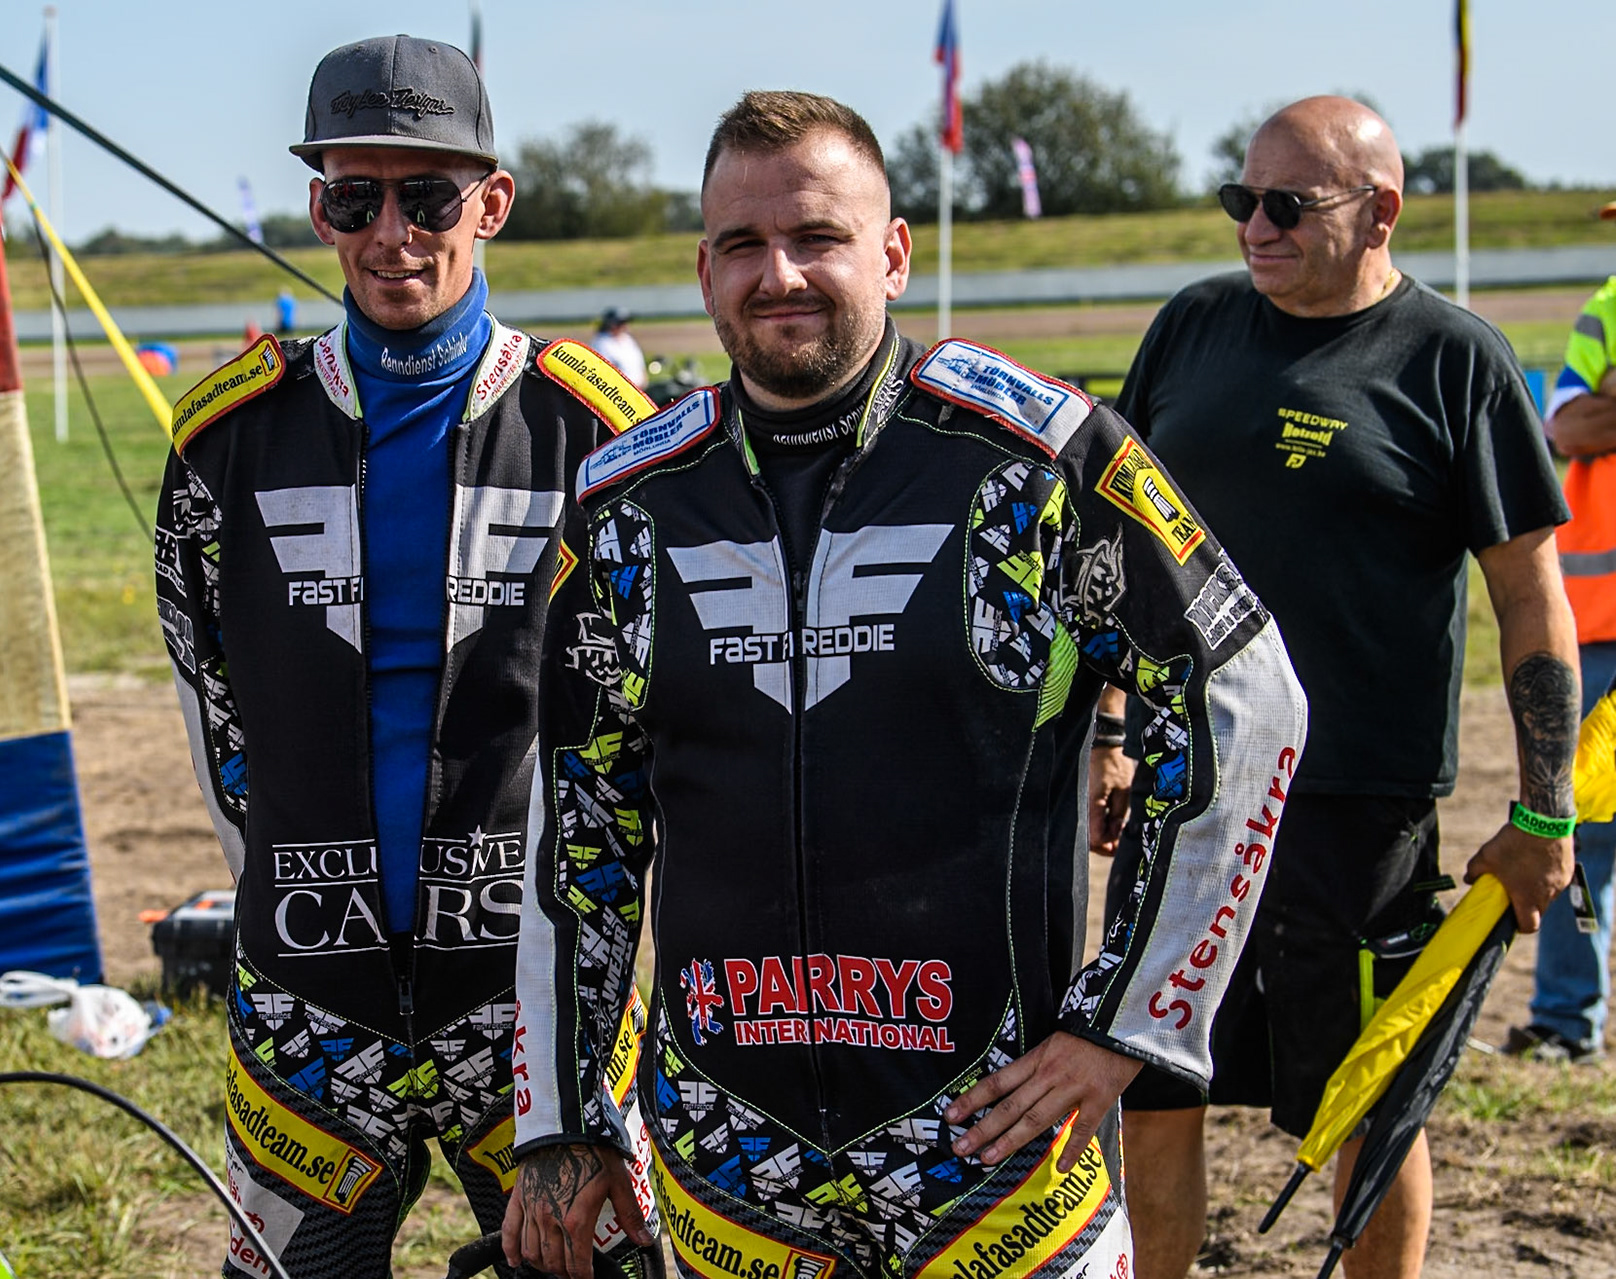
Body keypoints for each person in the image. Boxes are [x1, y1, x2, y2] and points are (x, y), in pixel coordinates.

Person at [502, 89, 1307, 1279]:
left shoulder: (1039, 457)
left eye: (817, 238)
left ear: (892, 251)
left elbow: (1242, 692)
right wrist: (565, 1123)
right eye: (741, 245)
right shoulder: (628, 504)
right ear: (704, 268)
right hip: (729, 1168)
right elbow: (580, 826)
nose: (779, 274)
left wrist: (1124, 1021)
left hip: (1002, 1167)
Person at [155, 35, 664, 1279]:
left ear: (490, 204)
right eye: (355, 197)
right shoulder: (226, 438)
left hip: (536, 1004)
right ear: (321, 207)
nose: (393, 235)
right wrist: (291, 873)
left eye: (428, 197)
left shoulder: (601, 432)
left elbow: (659, 726)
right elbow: (212, 704)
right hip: (306, 1002)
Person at [1099, 97, 1578, 1279]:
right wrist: (1113, 731)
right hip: (1184, 782)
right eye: (1239, 201)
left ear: (1382, 214)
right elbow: (1119, 558)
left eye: (1287, 206)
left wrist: (1544, 811)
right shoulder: (1193, 329)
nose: (1253, 228)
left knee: (1357, 1095)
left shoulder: (1454, 361)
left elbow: (1530, 597)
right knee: (1151, 1079)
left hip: (1355, 807)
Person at [1506, 199, 1616, 1064]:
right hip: (1603, 625)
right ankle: (1566, 1021)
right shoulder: (1605, 309)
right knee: (1582, 831)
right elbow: (1567, 424)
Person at [590, 307, 649, 389]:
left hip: (639, 390)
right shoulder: (601, 343)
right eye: (622, 323)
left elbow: (639, 365)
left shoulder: (628, 340)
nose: (625, 326)